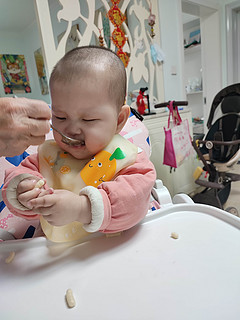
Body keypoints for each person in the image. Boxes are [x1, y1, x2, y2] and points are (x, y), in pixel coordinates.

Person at [2, 46, 156, 243]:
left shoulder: (129, 160)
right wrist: (24, 191)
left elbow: (134, 201)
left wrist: (82, 209)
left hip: (119, 247)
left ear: (119, 120)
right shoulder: (48, 157)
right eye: (60, 116)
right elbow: (19, 177)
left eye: (89, 119)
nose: (72, 129)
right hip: (61, 256)